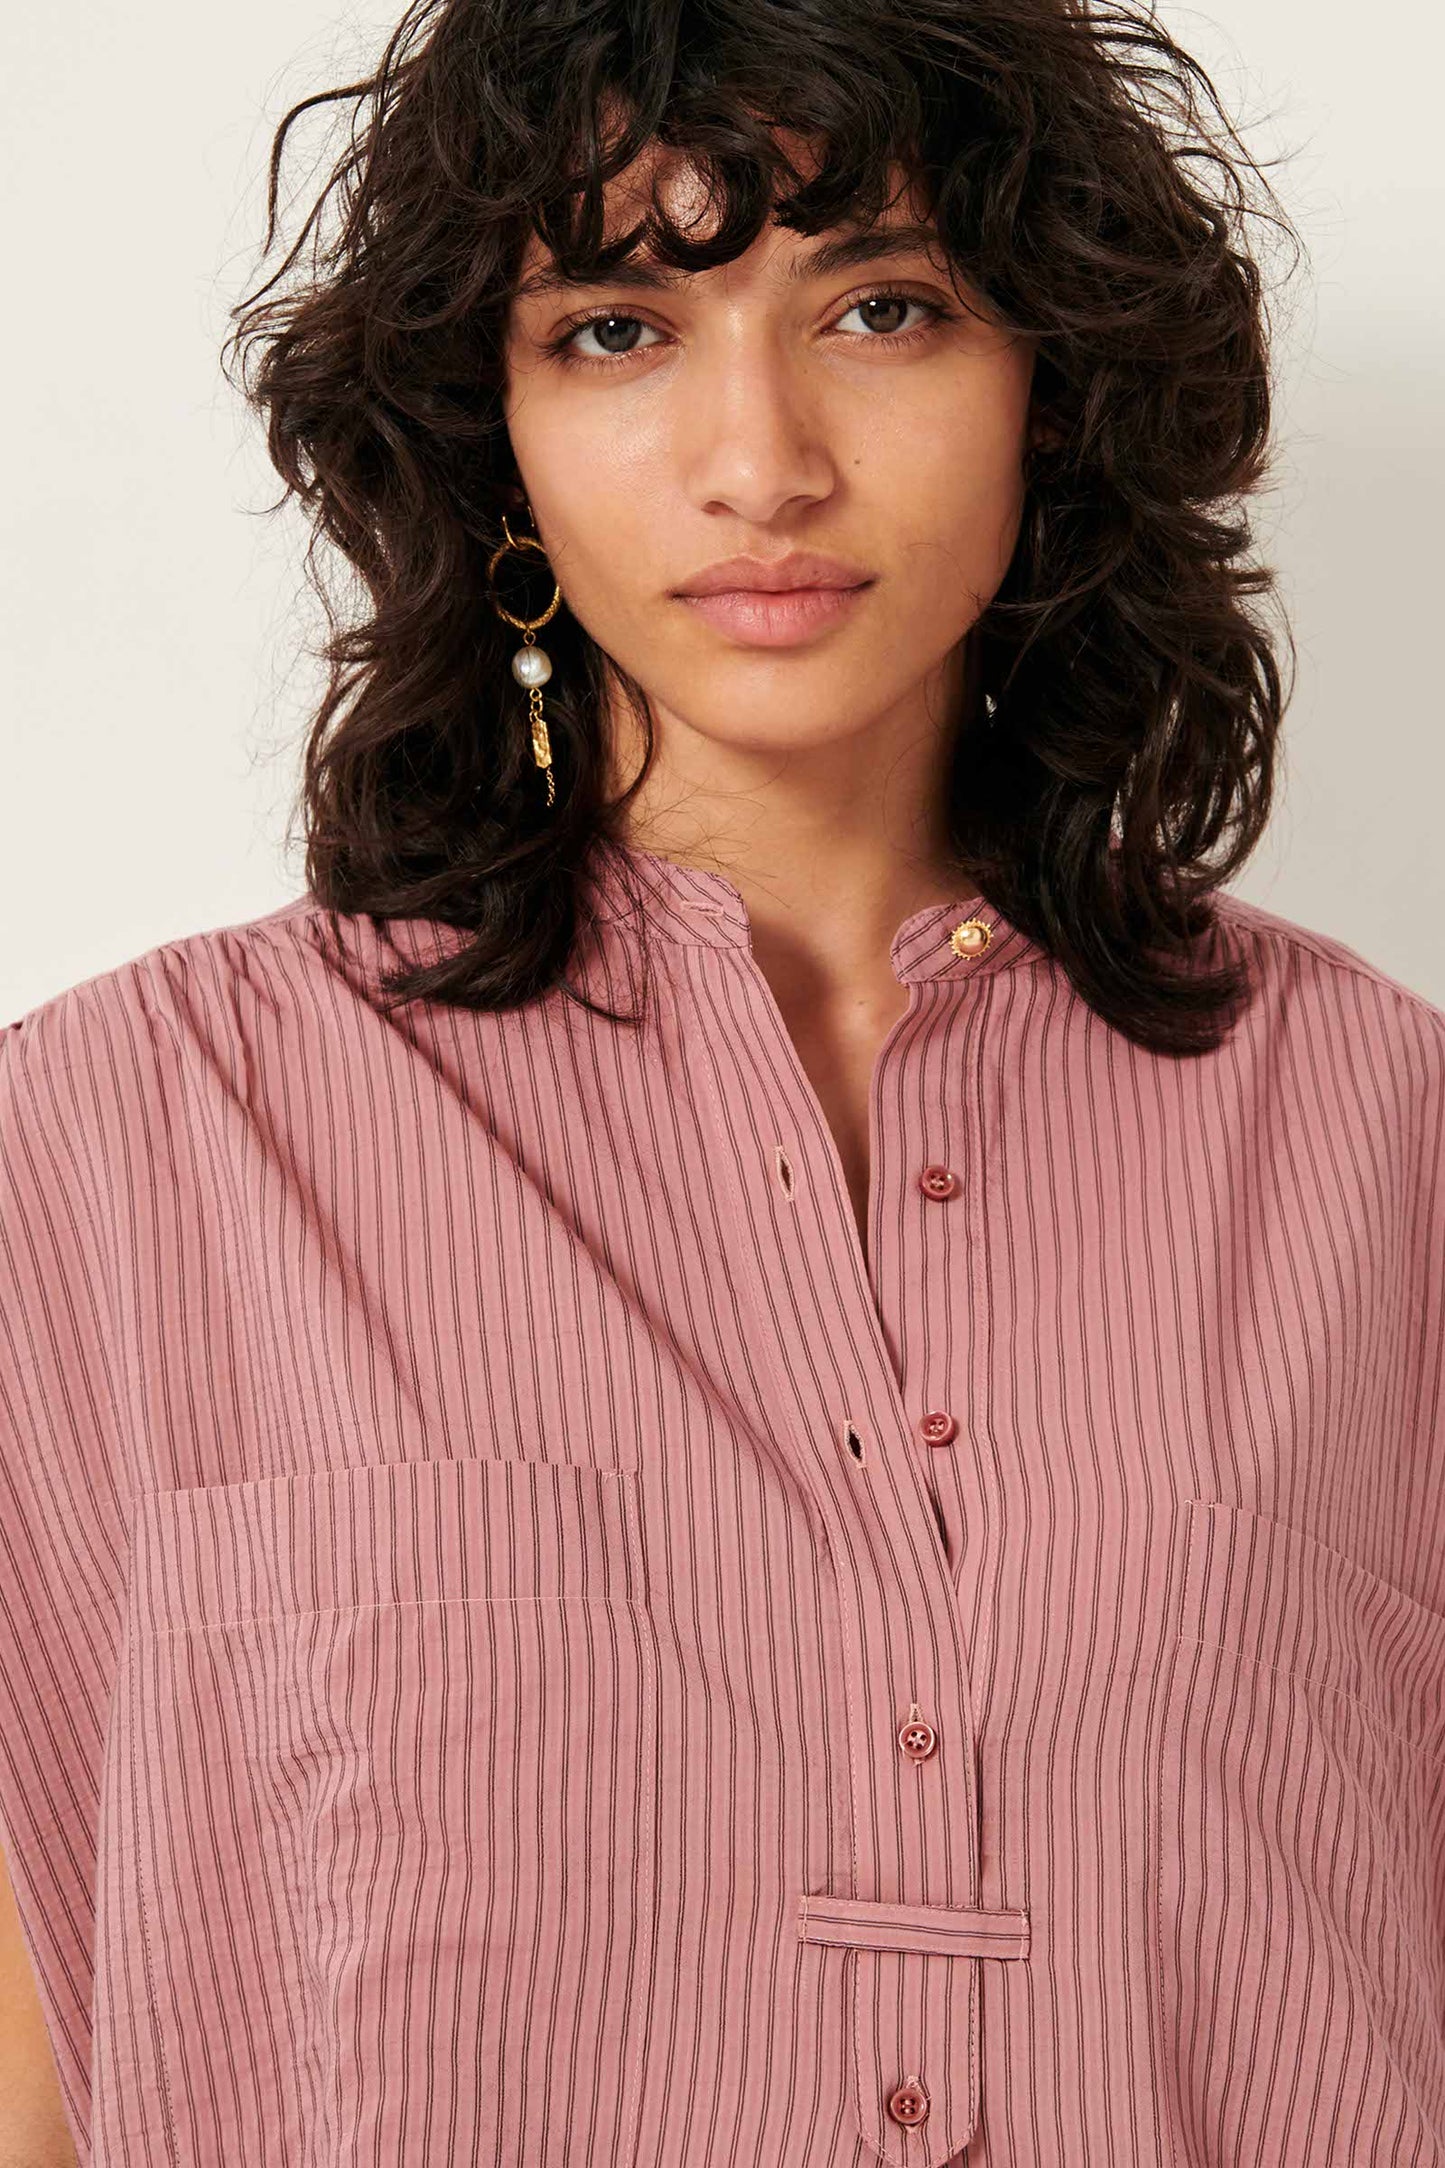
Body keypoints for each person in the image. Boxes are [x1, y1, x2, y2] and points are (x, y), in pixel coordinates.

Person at [3, 0, 1443, 2163]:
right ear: (489, 432)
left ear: (1051, 389)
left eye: (883, 306)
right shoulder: (115, 1148)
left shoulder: (1385, 1145)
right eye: (614, 326)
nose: (760, 456)